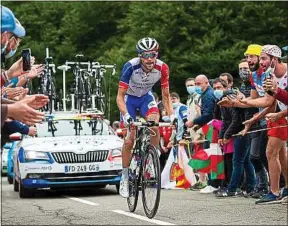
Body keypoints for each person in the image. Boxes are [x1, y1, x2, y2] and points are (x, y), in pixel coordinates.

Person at [116, 37, 174, 198]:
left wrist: (172, 116)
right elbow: (119, 97)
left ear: (157, 54)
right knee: (130, 138)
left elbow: (166, 95)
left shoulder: (162, 67)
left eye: (153, 55)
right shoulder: (130, 66)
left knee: (154, 125)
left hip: (146, 98)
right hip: (129, 99)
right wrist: (127, 116)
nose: (149, 59)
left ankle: (151, 159)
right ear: (140, 55)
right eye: (145, 55)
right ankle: (125, 176)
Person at [239, 45, 288, 204]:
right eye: (260, 58)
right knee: (279, 154)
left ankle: (274, 191)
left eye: (264, 58)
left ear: (275, 59)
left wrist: (243, 101)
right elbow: (269, 103)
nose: (261, 62)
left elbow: (273, 99)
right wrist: (250, 114)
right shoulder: (269, 75)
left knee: (270, 152)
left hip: (282, 116)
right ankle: (282, 189)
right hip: (281, 117)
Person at [186, 74, 216, 191]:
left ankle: (212, 183)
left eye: (199, 84)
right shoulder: (203, 95)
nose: (197, 86)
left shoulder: (208, 95)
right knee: (209, 155)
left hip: (211, 128)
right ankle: (209, 182)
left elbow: (208, 115)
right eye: (196, 84)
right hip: (206, 128)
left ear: (206, 82)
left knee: (211, 155)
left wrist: (193, 122)